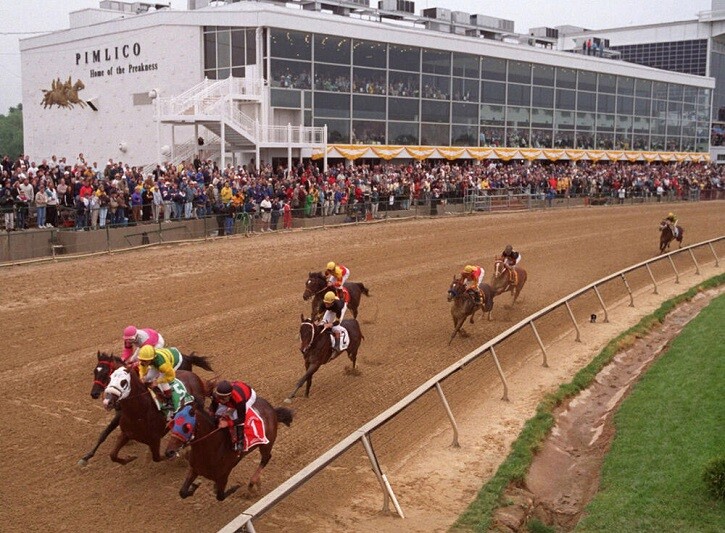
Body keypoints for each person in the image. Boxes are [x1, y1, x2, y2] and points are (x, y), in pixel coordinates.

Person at [209, 379, 257, 453]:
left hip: (249, 397)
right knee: (219, 411)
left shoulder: (239, 399)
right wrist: (213, 415)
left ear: (230, 395)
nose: (221, 400)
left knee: (235, 414)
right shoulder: (216, 396)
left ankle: (240, 442)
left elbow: (241, 419)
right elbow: (213, 409)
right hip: (232, 397)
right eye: (219, 397)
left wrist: (228, 423)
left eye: (223, 398)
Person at [137, 345, 185, 412]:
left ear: (151, 359)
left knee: (163, 382)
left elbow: (171, 376)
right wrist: (142, 377)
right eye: (141, 360)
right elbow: (142, 368)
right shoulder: (146, 359)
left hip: (175, 359)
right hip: (161, 359)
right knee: (148, 378)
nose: (142, 362)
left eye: (144, 361)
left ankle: (170, 402)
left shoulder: (163, 365)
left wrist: (157, 381)